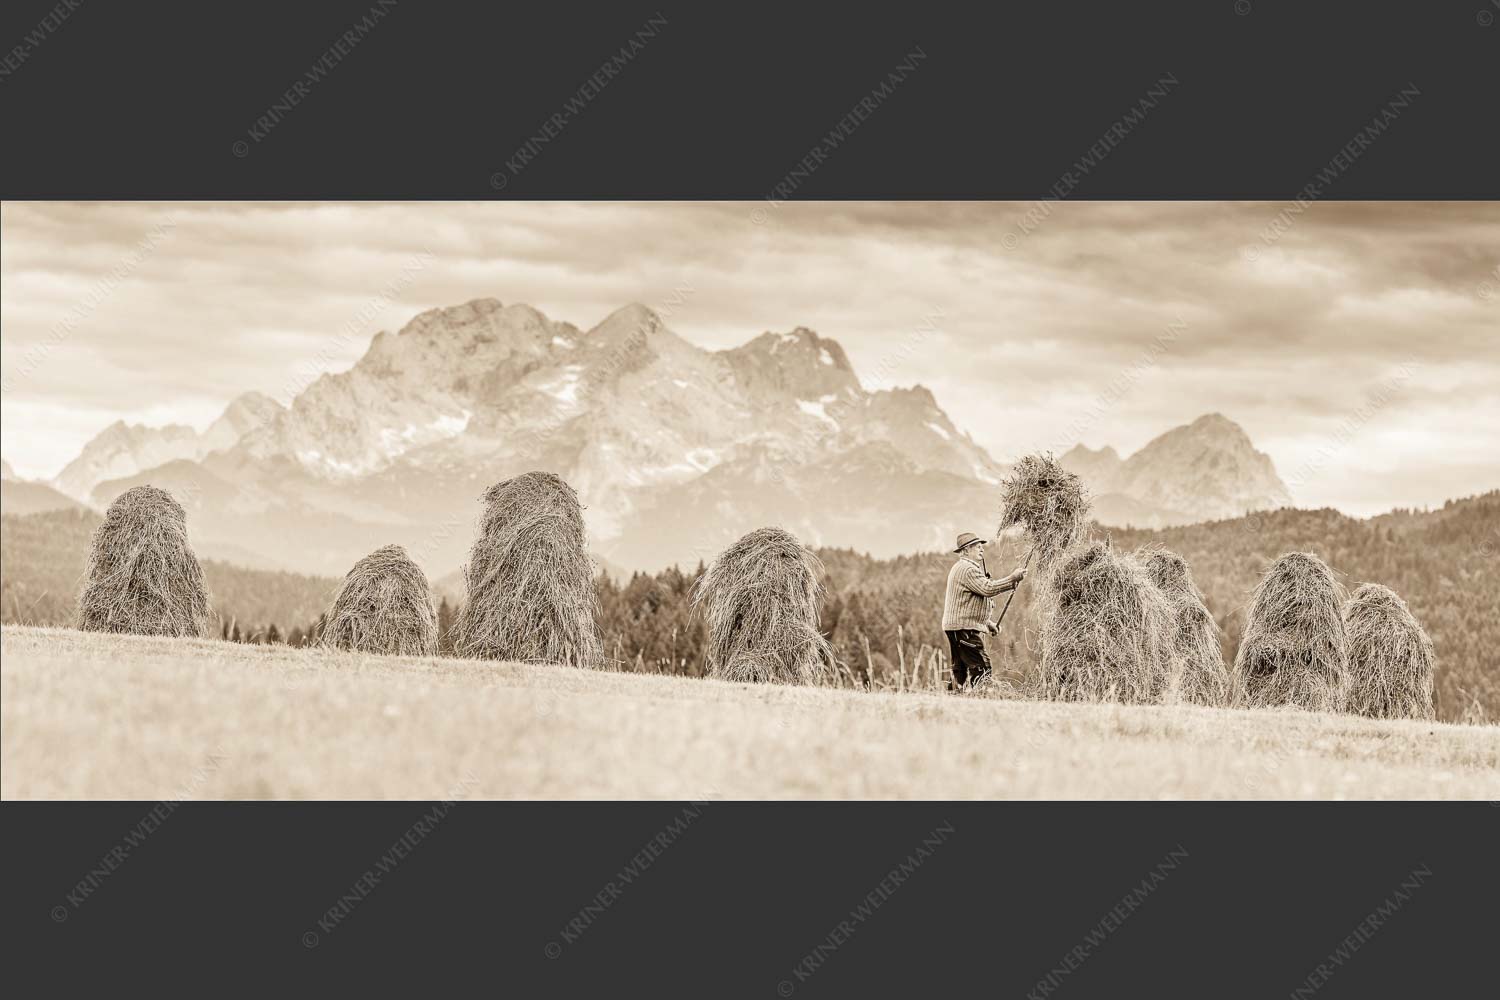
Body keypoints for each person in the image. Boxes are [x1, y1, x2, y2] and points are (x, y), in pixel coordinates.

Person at [941, 532, 1026, 690]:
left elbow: (969, 603)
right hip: (963, 628)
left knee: (960, 670)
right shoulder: (967, 569)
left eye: (981, 546)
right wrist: (1012, 578)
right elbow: (987, 588)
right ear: (965, 551)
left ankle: (954, 697)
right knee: (981, 666)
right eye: (976, 547)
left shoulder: (964, 567)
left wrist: (988, 623)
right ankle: (981, 695)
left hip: (957, 627)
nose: (981, 549)